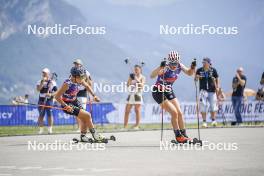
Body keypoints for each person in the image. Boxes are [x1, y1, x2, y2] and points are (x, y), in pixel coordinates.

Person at [151, 51, 196, 143]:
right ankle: (178, 136)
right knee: (174, 113)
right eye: (172, 63)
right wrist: (160, 67)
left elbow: (189, 73)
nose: (174, 65)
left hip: (168, 90)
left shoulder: (180, 65)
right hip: (158, 91)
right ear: (169, 62)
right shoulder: (166, 67)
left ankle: (184, 135)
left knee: (179, 113)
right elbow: (152, 75)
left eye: (175, 63)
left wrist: (192, 67)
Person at [55, 67, 104, 142]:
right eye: (81, 77)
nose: (82, 78)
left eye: (82, 76)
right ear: (74, 77)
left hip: (75, 101)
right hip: (67, 104)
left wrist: (94, 95)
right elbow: (57, 96)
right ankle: (95, 135)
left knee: (84, 118)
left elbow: (87, 86)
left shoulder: (79, 80)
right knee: (87, 115)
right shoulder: (67, 84)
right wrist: (65, 106)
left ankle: (83, 136)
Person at [195, 57, 219, 128]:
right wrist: (197, 77)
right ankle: (204, 122)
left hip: (212, 90)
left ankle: (213, 120)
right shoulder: (199, 70)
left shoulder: (213, 70)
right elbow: (195, 79)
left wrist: (217, 87)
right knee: (203, 106)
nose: (203, 64)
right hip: (203, 91)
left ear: (208, 63)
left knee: (213, 106)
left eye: (205, 62)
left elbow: (217, 78)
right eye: (203, 62)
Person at [72, 59, 93, 132]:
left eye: (77, 64)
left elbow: (90, 83)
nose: (76, 65)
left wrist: (90, 93)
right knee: (76, 112)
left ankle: (83, 127)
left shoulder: (86, 72)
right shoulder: (73, 72)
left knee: (81, 111)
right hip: (74, 93)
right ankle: (79, 127)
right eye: (75, 64)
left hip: (83, 93)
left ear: (81, 65)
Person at [123, 64, 146, 130]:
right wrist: (130, 78)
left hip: (137, 94)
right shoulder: (132, 76)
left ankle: (137, 125)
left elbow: (141, 86)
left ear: (140, 70)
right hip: (131, 94)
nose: (135, 71)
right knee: (127, 111)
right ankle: (125, 126)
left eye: (137, 69)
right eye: (135, 69)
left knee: (137, 110)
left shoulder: (142, 77)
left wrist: (136, 79)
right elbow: (127, 85)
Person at [36, 68, 57, 134]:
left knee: (49, 115)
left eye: (45, 73)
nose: (43, 74)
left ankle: (50, 129)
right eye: (43, 73)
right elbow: (38, 89)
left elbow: (57, 92)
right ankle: (41, 129)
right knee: (41, 114)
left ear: (48, 74)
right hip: (41, 100)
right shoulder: (39, 81)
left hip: (49, 100)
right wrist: (42, 82)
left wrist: (50, 94)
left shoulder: (52, 82)